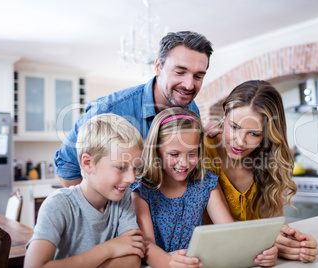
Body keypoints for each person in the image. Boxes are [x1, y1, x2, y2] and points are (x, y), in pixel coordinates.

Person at [55, 31, 213, 187]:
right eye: (180, 72)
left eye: (198, 76)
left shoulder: (191, 110)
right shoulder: (107, 109)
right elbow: (66, 166)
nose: (189, 85)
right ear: (158, 66)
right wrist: (98, 211)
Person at [130, 107, 279, 268]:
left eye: (192, 154)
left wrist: (263, 250)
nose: (184, 163)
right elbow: (146, 244)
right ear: (157, 151)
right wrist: (169, 263)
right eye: (174, 154)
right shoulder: (142, 188)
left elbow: (229, 230)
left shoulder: (205, 183)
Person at [204, 80, 318, 263]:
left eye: (254, 134)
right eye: (234, 127)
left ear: (267, 133)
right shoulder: (201, 153)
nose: (240, 141)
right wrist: (266, 243)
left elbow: (274, 226)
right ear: (225, 111)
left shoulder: (269, 161)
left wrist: (295, 244)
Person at [25, 114, 145, 268]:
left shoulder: (125, 198)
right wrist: (109, 248)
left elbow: (133, 260)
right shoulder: (58, 205)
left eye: (135, 168)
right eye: (121, 167)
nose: (131, 178)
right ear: (88, 163)